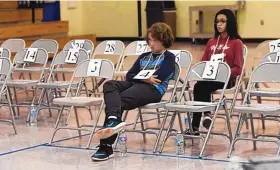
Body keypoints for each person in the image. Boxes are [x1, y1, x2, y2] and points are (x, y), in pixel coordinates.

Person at [91, 22, 175, 161]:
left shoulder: (169, 57)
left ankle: (106, 146)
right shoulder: (144, 56)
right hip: (136, 85)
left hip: (153, 90)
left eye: (155, 40)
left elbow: (159, 77)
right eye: (150, 40)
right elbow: (129, 75)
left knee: (117, 101)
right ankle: (113, 120)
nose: (151, 44)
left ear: (164, 40)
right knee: (110, 85)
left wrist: (142, 78)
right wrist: (145, 78)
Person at [185, 9, 244, 135]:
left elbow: (238, 68)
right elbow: (203, 63)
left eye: (222, 21)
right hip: (209, 78)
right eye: (217, 21)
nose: (219, 24)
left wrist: (223, 72)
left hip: (227, 80)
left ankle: (197, 123)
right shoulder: (211, 42)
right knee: (199, 85)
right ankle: (203, 118)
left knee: (201, 86)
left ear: (230, 23)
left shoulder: (236, 43)